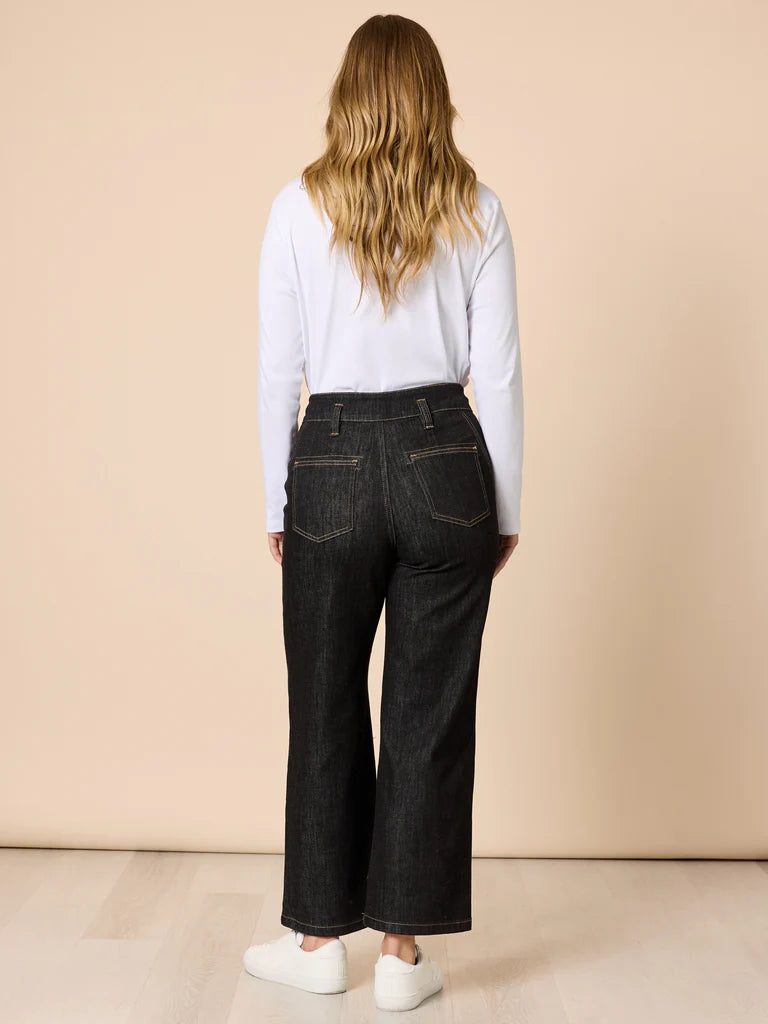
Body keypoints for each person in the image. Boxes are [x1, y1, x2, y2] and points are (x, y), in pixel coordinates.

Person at [243, 13, 523, 1013]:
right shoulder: (477, 207)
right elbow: (496, 374)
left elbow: (281, 374)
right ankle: (400, 956)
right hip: (450, 459)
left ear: (347, 95)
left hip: (329, 463)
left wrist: (278, 495)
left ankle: (319, 940)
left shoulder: (294, 206)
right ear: (434, 95)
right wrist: (506, 506)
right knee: (427, 710)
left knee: (322, 701)